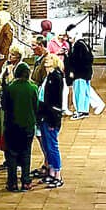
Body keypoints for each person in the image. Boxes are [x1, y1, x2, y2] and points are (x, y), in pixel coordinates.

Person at [0, 61, 40, 191]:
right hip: (28, 126)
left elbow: (4, 106)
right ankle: (26, 181)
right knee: (26, 153)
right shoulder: (33, 88)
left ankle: (12, 183)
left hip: (12, 126)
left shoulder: (10, 88)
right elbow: (36, 106)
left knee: (11, 154)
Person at [37, 52, 66, 186]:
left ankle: (58, 175)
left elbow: (54, 101)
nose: (46, 61)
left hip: (50, 117)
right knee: (47, 146)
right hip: (44, 115)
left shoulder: (56, 77)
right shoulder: (48, 76)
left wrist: (52, 119)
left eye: (49, 59)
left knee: (52, 146)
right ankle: (51, 172)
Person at [66, 32, 94, 115]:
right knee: (85, 92)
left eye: (70, 38)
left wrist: (72, 71)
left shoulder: (78, 46)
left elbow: (75, 60)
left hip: (80, 74)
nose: (69, 40)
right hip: (86, 72)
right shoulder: (83, 44)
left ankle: (80, 111)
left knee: (80, 93)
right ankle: (84, 110)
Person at [0, 9, 14, 81]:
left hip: (3, 53)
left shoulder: (7, 27)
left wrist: (3, 53)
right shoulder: (0, 27)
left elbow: (7, 41)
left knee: (2, 70)